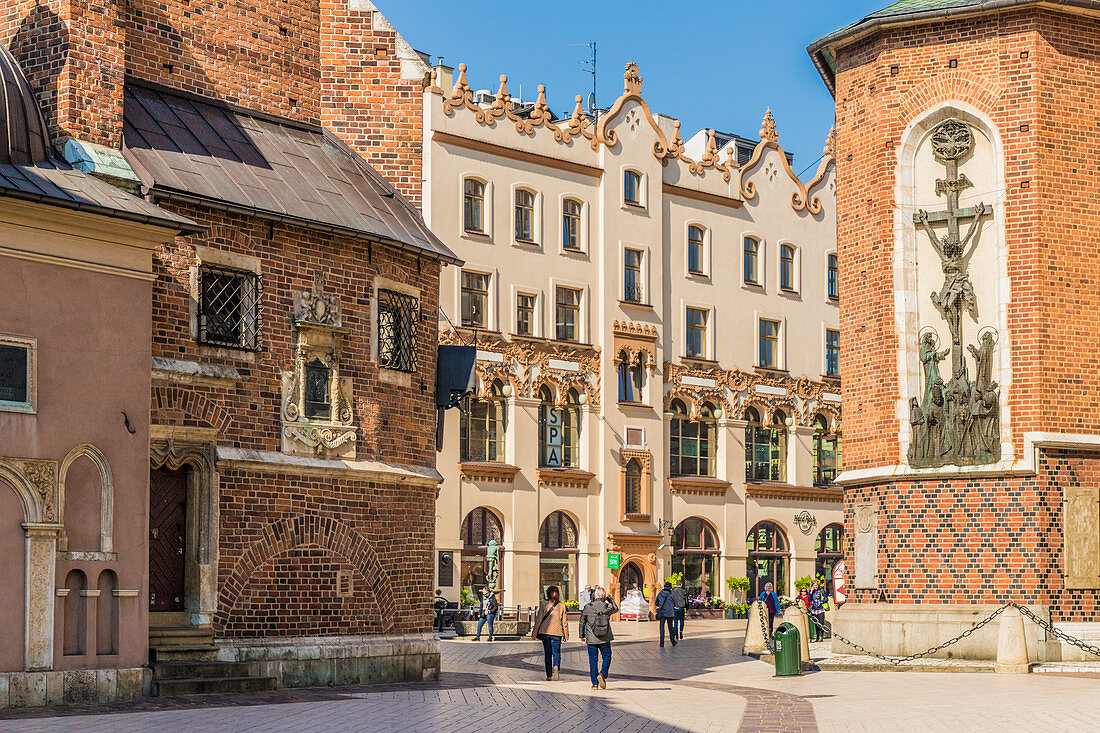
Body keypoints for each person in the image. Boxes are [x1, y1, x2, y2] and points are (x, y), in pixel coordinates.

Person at [580, 586, 617, 689]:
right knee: (607, 656)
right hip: (605, 637)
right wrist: (609, 598)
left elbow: (582, 622)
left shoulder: (588, 607)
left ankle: (595, 684)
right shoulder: (606, 606)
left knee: (593, 660)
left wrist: (582, 636)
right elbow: (616, 608)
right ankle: (603, 674)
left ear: (594, 595)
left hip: (591, 638)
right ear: (603, 596)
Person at [531, 585, 568, 680]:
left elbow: (538, 619)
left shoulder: (544, 604)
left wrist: (534, 633)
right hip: (557, 632)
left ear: (548, 594)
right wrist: (566, 635)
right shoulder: (562, 605)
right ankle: (556, 666)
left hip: (545, 632)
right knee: (556, 653)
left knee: (548, 653)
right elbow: (564, 622)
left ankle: (549, 675)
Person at [655, 582, 677, 648]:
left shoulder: (660, 593)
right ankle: (672, 641)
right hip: (670, 612)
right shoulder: (672, 594)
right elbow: (676, 602)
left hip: (662, 613)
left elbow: (656, 603)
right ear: (670, 587)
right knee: (670, 627)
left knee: (662, 627)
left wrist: (661, 605)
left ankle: (662, 643)